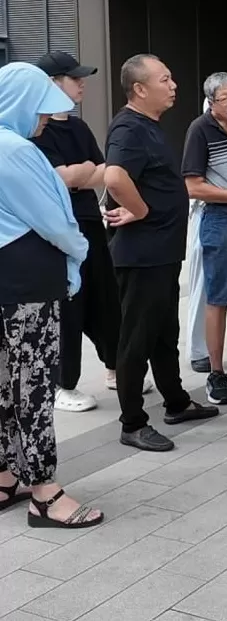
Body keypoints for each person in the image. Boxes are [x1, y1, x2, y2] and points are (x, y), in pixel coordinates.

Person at [0, 63, 103, 529]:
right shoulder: (16, 150)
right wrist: (79, 250)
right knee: (34, 387)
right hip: (29, 284)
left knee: (7, 385)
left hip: (7, 281)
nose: (44, 119)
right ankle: (45, 492)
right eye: (40, 110)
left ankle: (7, 475)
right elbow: (55, 221)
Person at [104, 54, 219, 452]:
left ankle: (176, 401)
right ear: (139, 89)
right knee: (136, 340)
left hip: (162, 253)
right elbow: (114, 176)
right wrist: (139, 210)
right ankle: (132, 423)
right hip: (142, 255)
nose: (173, 86)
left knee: (164, 333)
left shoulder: (149, 126)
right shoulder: (128, 128)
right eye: (164, 79)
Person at [34, 50, 142, 413]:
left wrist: (79, 174)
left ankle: (115, 368)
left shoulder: (78, 127)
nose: (82, 84)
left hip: (92, 222)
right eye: (74, 78)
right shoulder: (38, 129)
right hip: (58, 228)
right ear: (52, 83)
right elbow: (60, 178)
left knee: (106, 298)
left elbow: (104, 171)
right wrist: (80, 174)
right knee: (71, 304)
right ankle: (64, 385)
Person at [182, 72, 227, 405]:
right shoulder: (200, 129)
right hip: (221, 217)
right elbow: (193, 186)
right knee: (219, 297)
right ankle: (216, 372)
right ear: (211, 103)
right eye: (225, 98)